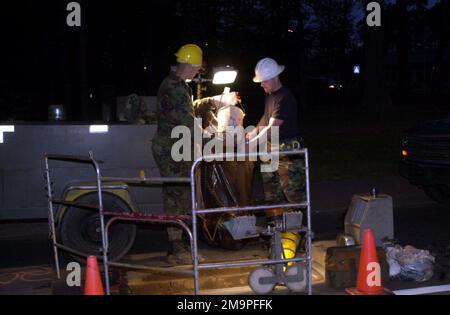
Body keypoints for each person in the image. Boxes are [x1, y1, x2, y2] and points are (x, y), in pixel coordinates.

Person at [152, 44, 238, 264]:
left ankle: (179, 246)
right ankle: (176, 250)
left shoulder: (178, 85)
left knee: (182, 195)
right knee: (176, 197)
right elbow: (189, 125)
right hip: (173, 151)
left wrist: (212, 101)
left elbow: (187, 109)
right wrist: (220, 140)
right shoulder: (174, 87)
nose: (196, 73)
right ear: (188, 64)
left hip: (178, 147)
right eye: (196, 69)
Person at [246, 57, 305, 225]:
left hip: (287, 153)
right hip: (272, 150)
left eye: (263, 81)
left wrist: (252, 144)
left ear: (274, 77)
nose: (261, 84)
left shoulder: (285, 97)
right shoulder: (270, 96)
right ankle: (275, 231)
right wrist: (252, 133)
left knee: (293, 195)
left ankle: (297, 232)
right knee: (271, 194)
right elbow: (266, 119)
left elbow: (273, 128)